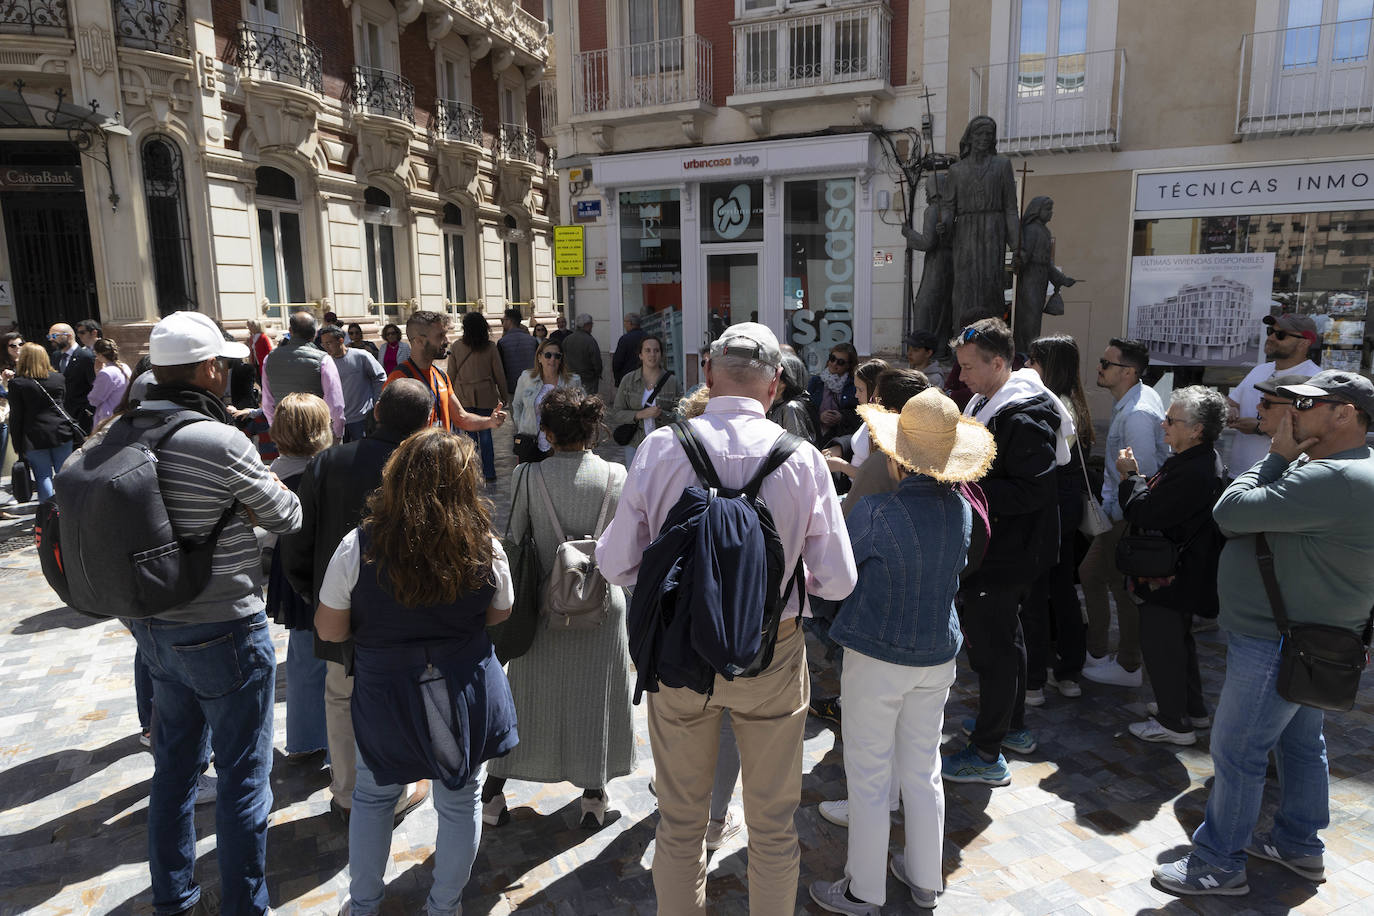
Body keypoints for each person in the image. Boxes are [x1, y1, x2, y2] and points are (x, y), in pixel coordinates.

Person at [596, 322, 858, 916]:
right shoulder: (803, 460)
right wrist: (790, 589)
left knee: (681, 825)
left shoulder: (662, 446)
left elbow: (615, 563)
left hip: (680, 651)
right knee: (771, 826)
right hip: (774, 651)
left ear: (708, 374)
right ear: (775, 387)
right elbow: (839, 579)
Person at [1153, 370, 1374, 897]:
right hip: (1309, 638)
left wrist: (1276, 455)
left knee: (1239, 752)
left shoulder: (1332, 477)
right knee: (1300, 747)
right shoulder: (1347, 467)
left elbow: (1230, 512)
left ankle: (1217, 862)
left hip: (1280, 640)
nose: (1293, 412)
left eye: (1308, 404)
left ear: (1344, 414)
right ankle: (1298, 844)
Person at [123, 310, 302, 915]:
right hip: (223, 626)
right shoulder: (218, 440)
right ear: (206, 370)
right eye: (223, 365)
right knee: (243, 778)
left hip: (152, 629)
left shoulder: (118, 431)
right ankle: (245, 907)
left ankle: (174, 899)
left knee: (173, 774)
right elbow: (287, 515)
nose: (228, 374)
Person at [314, 429, 518, 916]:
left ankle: (363, 906)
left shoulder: (357, 546)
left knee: (373, 796)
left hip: (387, 692)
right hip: (464, 688)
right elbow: (499, 613)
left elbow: (329, 626)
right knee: (459, 800)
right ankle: (444, 907)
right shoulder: (484, 545)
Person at [809, 389, 994, 915]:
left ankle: (862, 888)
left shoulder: (878, 512)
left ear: (896, 456)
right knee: (922, 768)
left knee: (869, 774)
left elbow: (834, 573)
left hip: (877, 651)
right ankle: (924, 877)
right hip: (937, 651)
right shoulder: (959, 509)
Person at [280, 378, 437, 824]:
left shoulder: (329, 461)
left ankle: (348, 794)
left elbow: (298, 540)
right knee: (403, 700)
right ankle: (395, 788)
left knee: (342, 699)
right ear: (426, 422)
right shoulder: (427, 466)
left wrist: (317, 597)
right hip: (409, 612)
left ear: (377, 413)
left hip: (341, 611)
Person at [483, 388, 635, 829]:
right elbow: (626, 548)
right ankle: (593, 796)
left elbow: (513, 542)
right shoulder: (617, 476)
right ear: (592, 430)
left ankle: (493, 793)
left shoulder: (528, 476)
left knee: (528, 699)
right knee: (596, 700)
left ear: (547, 433)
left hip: (544, 606)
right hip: (602, 606)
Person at [942, 318, 1065, 787]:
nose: (962, 377)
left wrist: (965, 485)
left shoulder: (1023, 412)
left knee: (992, 649)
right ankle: (1009, 727)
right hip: (1004, 547)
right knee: (1005, 642)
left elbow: (1032, 491)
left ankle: (987, 753)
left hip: (1010, 550)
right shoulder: (990, 399)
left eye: (970, 367)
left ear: (1000, 363)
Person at [1116, 385, 1227, 746]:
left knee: (1162, 646)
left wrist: (1131, 477)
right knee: (1178, 645)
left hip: (1170, 577)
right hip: (1181, 573)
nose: (1163, 425)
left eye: (1171, 420)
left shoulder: (1195, 468)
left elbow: (1148, 511)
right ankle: (1189, 709)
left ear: (1196, 429)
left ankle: (1173, 722)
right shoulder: (1195, 461)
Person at [1080, 337, 1170, 688]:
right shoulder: (1132, 402)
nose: (1099, 368)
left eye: (1106, 364)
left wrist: (1119, 516)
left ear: (1129, 372)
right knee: (1104, 579)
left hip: (1127, 516)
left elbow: (1141, 473)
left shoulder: (1136, 414)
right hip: (1119, 512)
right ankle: (1106, 654)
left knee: (1108, 581)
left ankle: (1123, 661)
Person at [1021, 334, 1092, 704]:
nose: (1028, 367)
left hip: (1049, 508)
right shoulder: (1074, 402)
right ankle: (1067, 672)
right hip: (1066, 507)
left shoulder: (1050, 405)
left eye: (1034, 360)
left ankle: (1035, 677)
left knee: (1037, 592)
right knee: (1062, 591)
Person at [264, 393, 335, 765]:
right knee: (332, 658)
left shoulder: (271, 473)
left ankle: (306, 737)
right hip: (325, 570)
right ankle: (334, 735)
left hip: (289, 572)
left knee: (302, 658)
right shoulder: (327, 470)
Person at [946, 116, 1019, 328]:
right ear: (970, 137)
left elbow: (1011, 209)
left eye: (989, 134)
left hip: (993, 230)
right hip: (965, 233)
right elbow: (949, 207)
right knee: (964, 287)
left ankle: (991, 336)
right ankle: (962, 338)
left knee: (990, 285)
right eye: (980, 133)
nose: (984, 138)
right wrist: (945, 225)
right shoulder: (956, 171)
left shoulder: (1002, 165)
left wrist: (1016, 246)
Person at [384, 310, 506, 437]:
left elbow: (461, 418)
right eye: (440, 336)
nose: (447, 340)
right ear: (419, 341)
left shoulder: (441, 376)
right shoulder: (399, 378)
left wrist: (490, 422)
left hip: (442, 455)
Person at [1225, 313, 1320, 475]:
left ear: (1304, 343)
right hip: (1239, 472)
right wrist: (1230, 410)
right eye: (1270, 331)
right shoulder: (1260, 370)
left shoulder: (1316, 379)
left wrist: (1258, 428)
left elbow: (1312, 432)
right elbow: (1232, 402)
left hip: (1279, 476)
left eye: (1280, 335)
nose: (1271, 338)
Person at [261, 310, 346, 441]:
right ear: (315, 333)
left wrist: (276, 429)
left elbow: (267, 402)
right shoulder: (324, 360)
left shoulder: (269, 359)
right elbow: (335, 404)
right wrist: (337, 433)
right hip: (317, 434)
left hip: (286, 434)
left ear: (290, 331)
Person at [446, 311, 510, 481]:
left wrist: (447, 397)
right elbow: (499, 374)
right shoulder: (490, 347)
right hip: (486, 394)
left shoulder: (457, 346)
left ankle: (472, 473)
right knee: (487, 434)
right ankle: (489, 472)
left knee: (469, 436)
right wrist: (504, 395)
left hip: (463, 394)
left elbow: (450, 374)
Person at [9, 343, 76, 503]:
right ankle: (69, 513)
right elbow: (63, 403)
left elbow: (16, 417)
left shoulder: (17, 384)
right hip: (61, 431)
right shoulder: (58, 378)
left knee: (42, 476)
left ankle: (49, 517)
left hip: (34, 436)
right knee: (64, 474)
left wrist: (17, 445)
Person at [1012, 196, 1076, 354]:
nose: (1051, 213)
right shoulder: (1031, 230)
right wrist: (1020, 258)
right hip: (1030, 278)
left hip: (1040, 277)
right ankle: (1025, 351)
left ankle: (1030, 349)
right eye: (1048, 209)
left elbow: (1048, 263)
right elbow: (1024, 257)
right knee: (1030, 317)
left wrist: (1062, 279)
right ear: (1037, 210)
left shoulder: (1045, 232)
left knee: (1035, 318)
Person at [608, 333, 680, 467]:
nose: (652, 354)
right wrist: (639, 414)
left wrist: (662, 414)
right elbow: (616, 413)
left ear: (661, 355)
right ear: (640, 355)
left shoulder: (672, 381)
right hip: (635, 443)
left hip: (663, 444)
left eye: (656, 350)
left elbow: (681, 416)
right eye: (647, 350)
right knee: (635, 484)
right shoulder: (628, 380)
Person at [902, 173, 954, 356]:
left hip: (937, 263)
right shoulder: (952, 210)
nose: (925, 191)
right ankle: (939, 348)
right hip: (949, 263)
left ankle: (923, 350)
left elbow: (927, 243)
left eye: (927, 188)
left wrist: (908, 233)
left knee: (924, 306)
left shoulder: (933, 210)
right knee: (941, 309)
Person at [512, 337, 581, 463]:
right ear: (539, 357)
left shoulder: (573, 381)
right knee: (530, 481)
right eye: (548, 355)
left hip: (560, 444)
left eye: (557, 356)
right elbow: (516, 406)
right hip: (530, 442)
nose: (552, 359)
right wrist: (522, 427)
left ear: (561, 359)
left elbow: (581, 412)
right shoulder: (526, 378)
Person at [319, 325, 384, 443]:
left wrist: (376, 402)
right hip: (336, 421)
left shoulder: (361, 356)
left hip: (361, 418)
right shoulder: (325, 363)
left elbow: (380, 378)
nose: (326, 347)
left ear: (341, 340)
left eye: (329, 343)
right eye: (323, 344)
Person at [807, 342, 861, 443]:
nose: (834, 363)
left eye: (840, 362)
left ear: (849, 365)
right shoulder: (816, 381)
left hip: (841, 439)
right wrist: (820, 416)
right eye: (832, 358)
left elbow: (859, 413)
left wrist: (842, 417)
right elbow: (806, 408)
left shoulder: (854, 384)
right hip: (817, 437)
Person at [768, 351, 816, 441]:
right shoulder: (774, 405)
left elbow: (794, 449)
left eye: (773, 372)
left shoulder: (791, 408)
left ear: (785, 381)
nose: (767, 376)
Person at [88, 338, 132, 429]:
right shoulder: (125, 367)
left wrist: (98, 373)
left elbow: (94, 399)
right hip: (123, 415)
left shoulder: (106, 373)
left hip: (108, 420)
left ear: (98, 354)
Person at [497, 307, 538, 396]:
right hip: (532, 384)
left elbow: (501, 368)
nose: (502, 323)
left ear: (509, 321)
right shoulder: (533, 340)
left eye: (503, 320)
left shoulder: (502, 342)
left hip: (513, 387)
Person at [562, 312, 604, 396]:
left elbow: (562, 358)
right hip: (588, 379)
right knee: (588, 402)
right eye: (591, 324)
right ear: (587, 325)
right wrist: (598, 373)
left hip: (570, 377)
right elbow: (596, 360)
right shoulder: (590, 340)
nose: (592, 327)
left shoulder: (567, 339)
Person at [611, 311, 648, 387]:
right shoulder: (647, 337)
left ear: (630, 323)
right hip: (646, 377)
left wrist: (617, 380)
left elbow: (617, 361)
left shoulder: (625, 339)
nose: (624, 324)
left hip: (627, 379)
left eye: (625, 322)